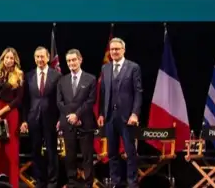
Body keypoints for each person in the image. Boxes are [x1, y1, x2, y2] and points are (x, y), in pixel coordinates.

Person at [98, 38, 142, 188]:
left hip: (127, 117)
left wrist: (135, 113)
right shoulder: (106, 68)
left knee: (130, 152)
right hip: (110, 117)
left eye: (117, 49)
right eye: (112, 49)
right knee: (112, 153)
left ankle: (132, 183)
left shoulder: (133, 67)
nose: (114, 52)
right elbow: (103, 93)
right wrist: (101, 114)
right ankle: (115, 182)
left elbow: (138, 92)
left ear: (123, 50)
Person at [20, 47, 61, 188]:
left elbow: (60, 100)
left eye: (42, 57)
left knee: (51, 151)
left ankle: (52, 182)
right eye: (37, 57)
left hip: (51, 119)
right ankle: (40, 181)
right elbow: (25, 100)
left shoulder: (56, 75)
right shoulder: (28, 75)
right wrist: (24, 120)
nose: (40, 60)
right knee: (36, 151)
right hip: (33, 119)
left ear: (48, 58)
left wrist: (60, 119)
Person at [57, 49, 96, 187]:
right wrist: (71, 116)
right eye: (68, 61)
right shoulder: (62, 80)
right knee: (70, 156)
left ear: (80, 60)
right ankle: (72, 183)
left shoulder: (91, 79)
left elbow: (90, 101)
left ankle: (88, 184)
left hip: (85, 122)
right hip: (68, 123)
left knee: (87, 157)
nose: (71, 63)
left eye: (74, 60)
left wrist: (77, 115)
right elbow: (59, 102)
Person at [0, 48, 24, 188]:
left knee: (11, 150)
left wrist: (1, 112)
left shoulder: (20, 75)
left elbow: (19, 99)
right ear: (2, 59)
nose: (9, 60)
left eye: (12, 58)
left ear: (15, 60)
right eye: (7, 57)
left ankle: (14, 184)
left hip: (10, 113)